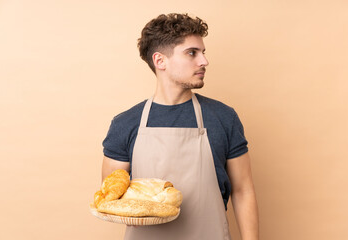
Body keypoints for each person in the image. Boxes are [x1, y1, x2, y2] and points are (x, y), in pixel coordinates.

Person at [101, 13, 259, 240]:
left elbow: (243, 191)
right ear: (160, 61)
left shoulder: (224, 118)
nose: (204, 61)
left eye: (203, 53)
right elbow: (112, 196)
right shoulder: (125, 124)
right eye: (192, 53)